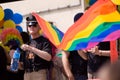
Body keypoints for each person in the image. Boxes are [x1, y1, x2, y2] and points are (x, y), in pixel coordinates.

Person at [21, 14, 52, 80]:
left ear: (39, 27)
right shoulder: (27, 42)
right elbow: (22, 65)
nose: (31, 27)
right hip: (27, 74)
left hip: (39, 73)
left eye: (34, 25)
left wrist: (31, 48)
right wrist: (16, 63)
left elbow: (48, 57)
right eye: (29, 25)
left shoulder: (44, 41)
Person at [61, 12, 88, 80]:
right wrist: (69, 74)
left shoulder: (90, 35)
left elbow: (87, 57)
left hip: (90, 72)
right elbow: (64, 56)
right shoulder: (70, 37)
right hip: (77, 74)